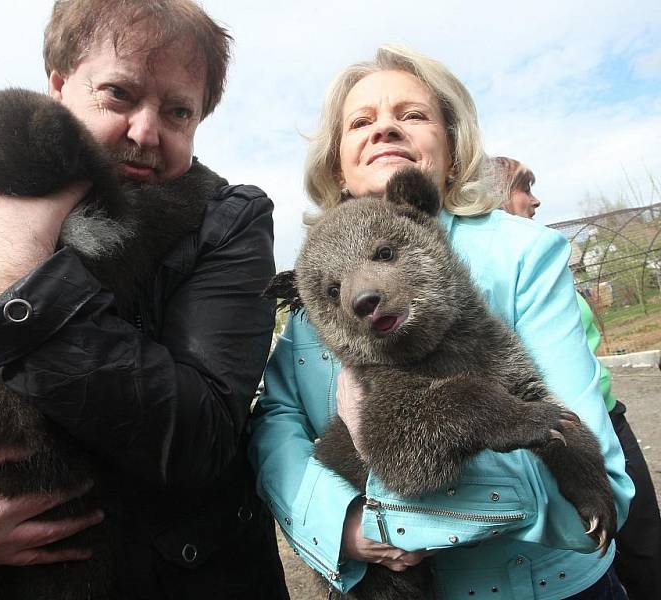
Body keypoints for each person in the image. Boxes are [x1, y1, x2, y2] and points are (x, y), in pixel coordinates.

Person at [0, 1, 289, 598]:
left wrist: (18, 280)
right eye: (119, 94)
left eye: (178, 111)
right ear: (60, 87)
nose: (145, 131)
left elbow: (205, 437)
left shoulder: (224, 221)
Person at [249, 44, 635, 599]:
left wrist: (567, 459)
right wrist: (345, 526)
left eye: (411, 114)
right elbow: (278, 424)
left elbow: (552, 419)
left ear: (452, 148)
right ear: (337, 161)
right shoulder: (317, 291)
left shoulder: (521, 253)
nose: (384, 130)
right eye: (361, 122)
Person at [494, 155, 661, 599]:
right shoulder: (502, 263)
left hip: (608, 414)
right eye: (523, 187)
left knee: (643, 542)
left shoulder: (539, 250)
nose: (535, 199)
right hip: (561, 426)